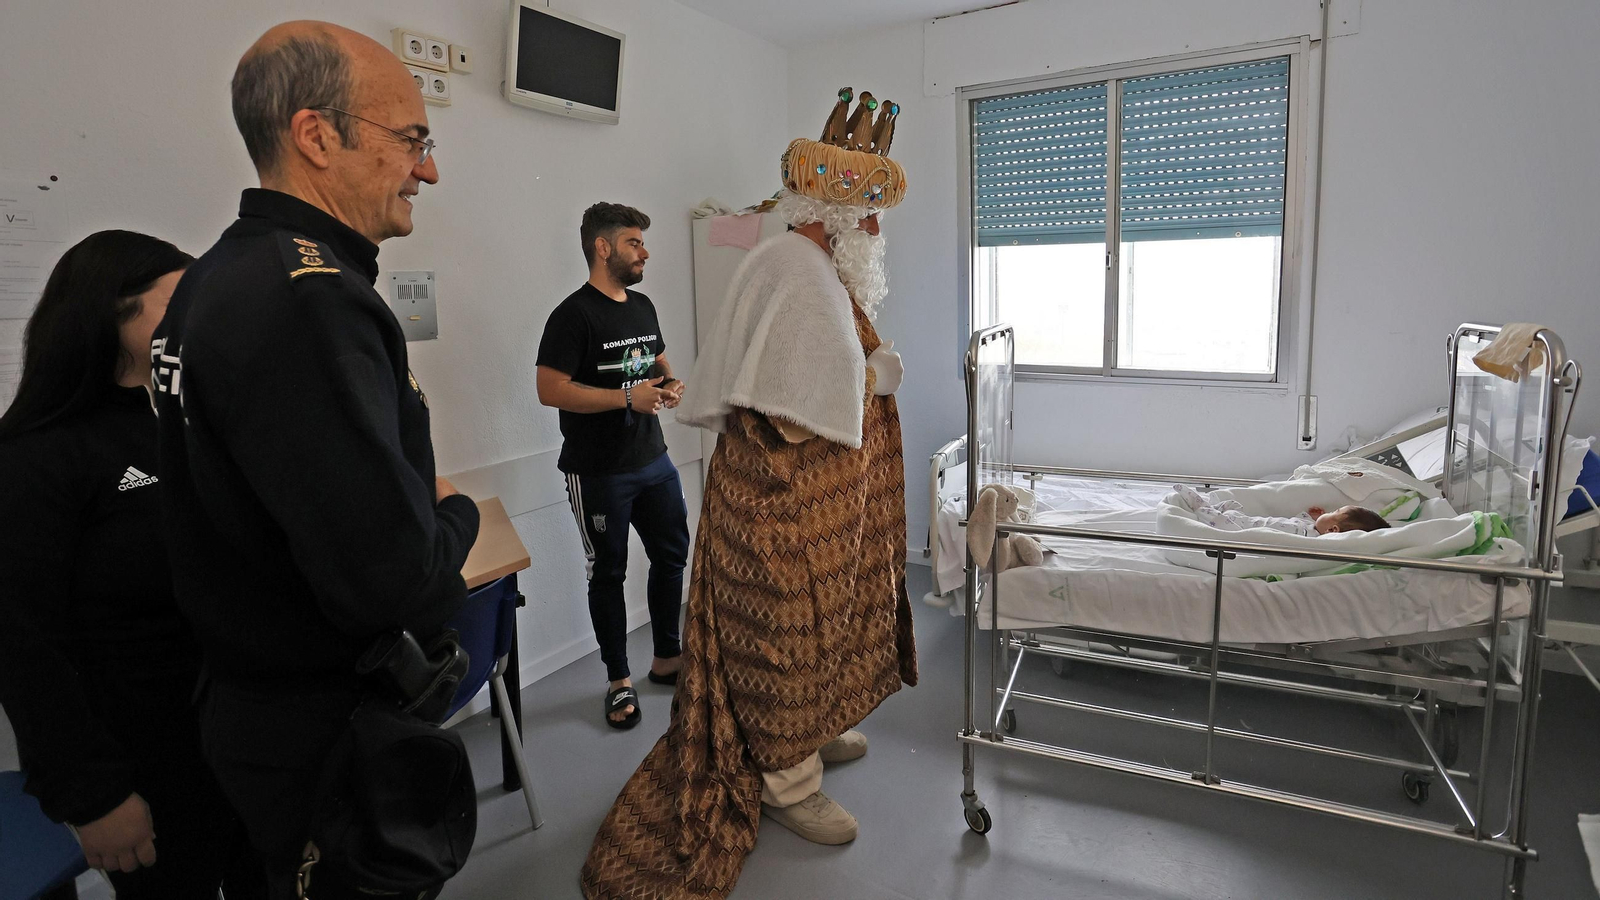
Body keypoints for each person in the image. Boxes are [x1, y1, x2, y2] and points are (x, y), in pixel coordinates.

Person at [150, 21, 478, 898]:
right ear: (316, 136)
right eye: (412, 139)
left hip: (254, 712)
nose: (429, 169)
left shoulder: (217, 278)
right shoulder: (313, 302)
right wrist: (458, 514)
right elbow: (390, 579)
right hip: (326, 735)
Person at [580, 87, 916, 899]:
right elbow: (794, 419)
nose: (874, 232)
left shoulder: (805, 265)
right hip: (777, 513)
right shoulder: (797, 274)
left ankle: (813, 736)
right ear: (833, 215)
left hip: (805, 508)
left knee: (822, 627)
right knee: (784, 640)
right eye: (866, 218)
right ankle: (787, 783)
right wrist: (871, 380)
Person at [0, 230, 262, 898]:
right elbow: (24, 644)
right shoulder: (39, 458)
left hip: (234, 742)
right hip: (143, 760)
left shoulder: (173, 424)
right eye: (179, 304)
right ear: (113, 316)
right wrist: (92, 795)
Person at [535, 202, 689, 729]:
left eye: (642, 242)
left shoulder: (642, 305)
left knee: (672, 556)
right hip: (598, 470)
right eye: (633, 242)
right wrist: (626, 398)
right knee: (610, 571)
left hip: (654, 459)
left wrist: (670, 383)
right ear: (602, 248)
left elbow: (657, 358)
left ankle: (667, 659)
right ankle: (619, 682)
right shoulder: (572, 315)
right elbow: (549, 389)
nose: (644, 251)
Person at [1171, 484, 1391, 535]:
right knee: (1233, 506)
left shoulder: (1311, 540)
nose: (1329, 510)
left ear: (1333, 530)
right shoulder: (1310, 527)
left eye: (1335, 511)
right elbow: (1294, 523)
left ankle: (1199, 507)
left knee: (1221, 522)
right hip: (1247, 519)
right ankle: (1211, 508)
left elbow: (1290, 534)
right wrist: (1310, 516)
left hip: (1241, 529)